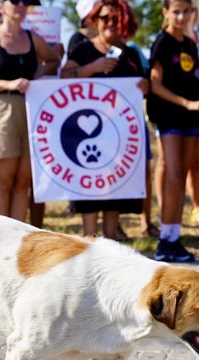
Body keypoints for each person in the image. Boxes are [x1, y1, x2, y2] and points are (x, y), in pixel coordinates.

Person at [61, 0, 149, 239]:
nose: (110, 23)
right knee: (89, 210)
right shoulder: (83, 50)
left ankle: (110, 251)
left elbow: (145, 85)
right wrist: (93, 67)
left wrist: (144, 85)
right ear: (94, 20)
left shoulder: (130, 54)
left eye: (115, 19)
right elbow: (64, 76)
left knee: (114, 198)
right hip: (86, 138)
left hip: (118, 138)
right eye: (104, 18)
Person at [0, 0, 59, 222]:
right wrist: (8, 84)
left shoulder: (32, 37)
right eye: (14, 1)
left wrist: (35, 77)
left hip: (31, 109)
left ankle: (17, 240)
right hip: (1, 109)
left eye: (25, 1)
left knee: (23, 182)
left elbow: (53, 60)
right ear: (1, 6)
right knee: (3, 181)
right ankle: (0, 240)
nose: (21, 5)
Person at [148, 0, 199, 262]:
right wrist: (185, 103)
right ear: (166, 12)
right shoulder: (162, 42)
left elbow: (192, 77)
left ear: (192, 13)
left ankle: (175, 237)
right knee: (172, 175)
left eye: (186, 11)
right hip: (169, 115)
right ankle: (163, 241)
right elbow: (155, 84)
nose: (182, 16)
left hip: (192, 117)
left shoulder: (190, 43)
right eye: (176, 11)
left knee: (182, 175)